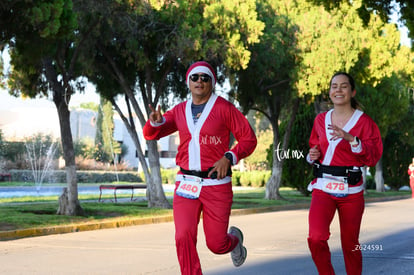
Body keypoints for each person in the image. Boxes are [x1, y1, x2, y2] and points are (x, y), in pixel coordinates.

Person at [143, 61, 257, 275]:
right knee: (182, 236)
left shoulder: (225, 108)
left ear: (212, 83)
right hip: (186, 184)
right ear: (188, 81)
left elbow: (249, 139)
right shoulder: (179, 110)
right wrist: (155, 123)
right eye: (195, 77)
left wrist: (229, 157)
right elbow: (151, 134)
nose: (199, 81)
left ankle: (235, 241)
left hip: (216, 184)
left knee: (216, 244)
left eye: (205, 78)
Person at [306, 72, 383, 275]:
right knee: (316, 237)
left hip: (352, 190)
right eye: (334, 86)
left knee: (351, 245)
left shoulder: (365, 122)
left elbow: (372, 156)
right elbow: (315, 147)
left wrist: (352, 139)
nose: (338, 90)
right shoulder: (320, 120)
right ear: (329, 91)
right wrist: (312, 154)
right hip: (323, 186)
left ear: (352, 91)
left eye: (343, 86)